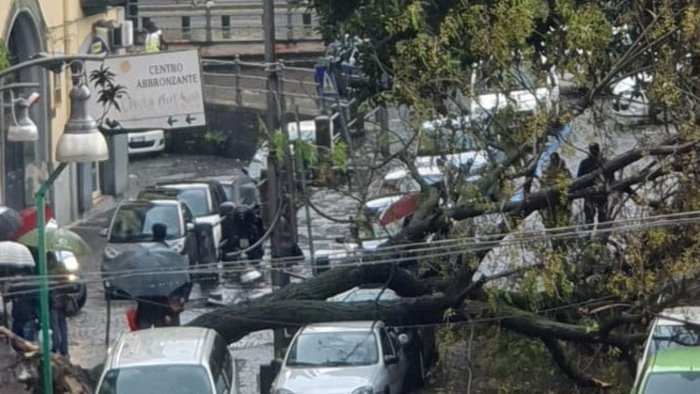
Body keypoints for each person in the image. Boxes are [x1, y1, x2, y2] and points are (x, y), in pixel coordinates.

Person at [577, 143, 613, 224]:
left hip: (591, 194)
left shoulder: (585, 163)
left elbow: (579, 179)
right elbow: (611, 178)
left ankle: (591, 234)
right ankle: (599, 234)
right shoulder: (605, 162)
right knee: (601, 218)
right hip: (598, 194)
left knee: (591, 220)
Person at [7, 267, 38, 351]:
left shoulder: (30, 287)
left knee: (27, 342)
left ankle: (27, 359)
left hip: (28, 318)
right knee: (17, 341)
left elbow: (36, 301)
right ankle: (22, 357)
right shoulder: (14, 287)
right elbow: (7, 298)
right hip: (19, 318)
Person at [541, 152, 572, 228]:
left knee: (563, 217)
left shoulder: (565, 171)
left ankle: (563, 226)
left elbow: (569, 183)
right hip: (550, 198)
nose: (554, 161)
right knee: (551, 217)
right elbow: (543, 184)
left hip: (562, 197)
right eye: (553, 160)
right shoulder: (547, 171)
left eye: (555, 160)